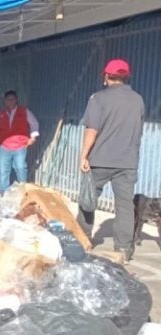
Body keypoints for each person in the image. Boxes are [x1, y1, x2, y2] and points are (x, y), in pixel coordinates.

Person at [78, 59, 145, 261]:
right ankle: (123, 249)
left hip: (100, 159)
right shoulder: (138, 99)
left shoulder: (98, 99)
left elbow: (92, 130)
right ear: (125, 77)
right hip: (127, 163)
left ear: (106, 76)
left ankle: (82, 239)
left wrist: (83, 155)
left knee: (87, 200)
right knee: (125, 206)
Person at [0, 90, 40, 194]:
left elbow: (34, 123)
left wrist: (33, 137)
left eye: (12, 99)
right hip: (4, 147)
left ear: (16, 100)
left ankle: (23, 192)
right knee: (4, 171)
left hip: (20, 146)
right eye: (8, 99)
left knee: (20, 168)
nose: (10, 101)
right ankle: (3, 194)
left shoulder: (24, 111)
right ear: (5, 101)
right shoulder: (0, 114)